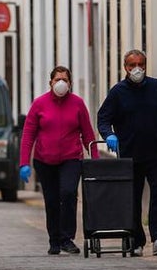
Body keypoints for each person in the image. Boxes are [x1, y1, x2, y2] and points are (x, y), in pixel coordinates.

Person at [97, 49, 157, 257]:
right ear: (125, 67)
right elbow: (103, 119)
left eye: (140, 64)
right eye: (132, 65)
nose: (137, 69)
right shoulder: (118, 92)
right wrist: (109, 136)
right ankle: (135, 241)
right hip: (131, 155)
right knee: (132, 198)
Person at [19, 66, 98, 255]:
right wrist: (24, 163)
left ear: (70, 83)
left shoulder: (77, 104)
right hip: (44, 160)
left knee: (69, 193)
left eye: (65, 79)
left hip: (71, 158)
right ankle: (54, 240)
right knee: (52, 200)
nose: (61, 83)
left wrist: (95, 158)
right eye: (57, 80)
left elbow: (88, 134)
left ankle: (67, 238)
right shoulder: (39, 104)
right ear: (51, 83)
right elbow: (28, 135)